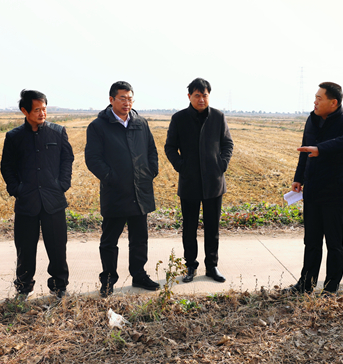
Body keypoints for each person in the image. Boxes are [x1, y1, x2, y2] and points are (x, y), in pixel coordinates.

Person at [284, 82, 343, 295]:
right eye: (315, 97)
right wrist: (298, 178)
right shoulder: (312, 120)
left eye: (320, 98)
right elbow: (304, 151)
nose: (315, 102)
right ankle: (305, 284)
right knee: (311, 241)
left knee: (334, 243)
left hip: (335, 193)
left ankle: (330, 288)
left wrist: (321, 149)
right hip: (313, 190)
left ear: (333, 103)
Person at [85, 81, 160, 297]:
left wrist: (150, 172)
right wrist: (111, 178)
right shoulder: (98, 126)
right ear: (111, 100)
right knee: (109, 240)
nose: (127, 103)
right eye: (122, 98)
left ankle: (139, 275)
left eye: (130, 99)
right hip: (115, 192)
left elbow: (151, 151)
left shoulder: (140, 123)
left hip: (140, 191)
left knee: (139, 239)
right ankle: (108, 280)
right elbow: (93, 159)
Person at [0, 90, 74, 300]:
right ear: (25, 111)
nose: (42, 113)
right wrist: (17, 189)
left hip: (53, 200)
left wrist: (62, 184)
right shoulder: (14, 137)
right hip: (27, 201)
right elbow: (7, 166)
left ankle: (59, 287)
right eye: (37, 110)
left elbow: (67, 159)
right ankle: (24, 288)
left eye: (44, 109)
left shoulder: (58, 132)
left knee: (57, 248)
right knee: (25, 249)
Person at [164, 78, 234, 283]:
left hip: (214, 182)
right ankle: (190, 266)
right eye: (197, 95)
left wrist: (222, 164)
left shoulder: (218, 117)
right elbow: (170, 147)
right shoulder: (179, 119)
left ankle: (212, 266)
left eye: (205, 95)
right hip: (190, 182)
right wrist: (181, 166)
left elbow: (228, 143)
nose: (201, 99)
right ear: (189, 97)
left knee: (212, 228)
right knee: (189, 228)